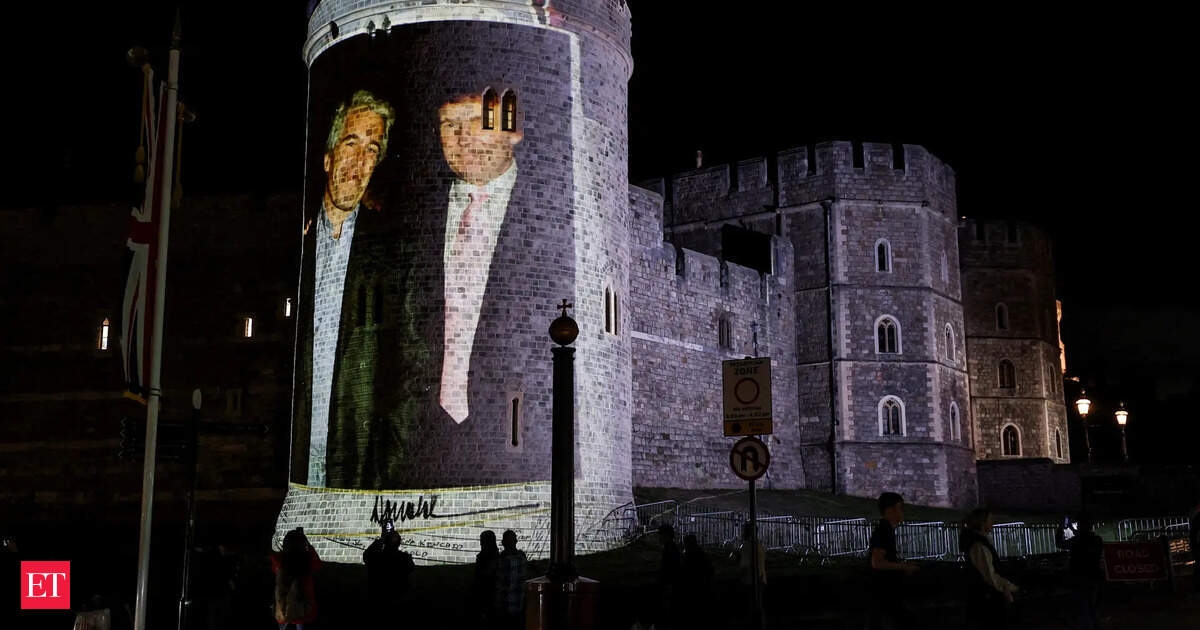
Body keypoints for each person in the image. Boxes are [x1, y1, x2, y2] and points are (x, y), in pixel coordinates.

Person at [293, 89, 395, 489]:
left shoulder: (386, 256)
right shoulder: (299, 249)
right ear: (328, 156)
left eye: (372, 149)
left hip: (354, 465)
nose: (358, 160)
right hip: (298, 456)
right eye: (351, 143)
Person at [435, 92, 524, 424]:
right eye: (449, 124)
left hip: (502, 423)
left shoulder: (558, 213)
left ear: (513, 125)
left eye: (476, 120)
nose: (462, 138)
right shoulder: (414, 213)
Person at [960, 508, 1018, 629]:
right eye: (990, 520)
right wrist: (1009, 586)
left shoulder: (979, 543)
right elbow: (990, 576)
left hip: (985, 598)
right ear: (982, 523)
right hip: (987, 600)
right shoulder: (979, 546)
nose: (992, 523)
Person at [867, 492, 918, 630]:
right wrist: (903, 567)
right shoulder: (884, 531)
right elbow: (877, 562)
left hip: (886, 594)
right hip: (885, 594)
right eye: (900, 508)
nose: (902, 512)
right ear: (890, 510)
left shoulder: (886, 530)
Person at [363, 521, 415, 620]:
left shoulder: (377, 557)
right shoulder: (404, 558)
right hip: (397, 600)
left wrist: (382, 539)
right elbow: (411, 568)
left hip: (377, 600)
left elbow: (367, 556)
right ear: (399, 542)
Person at [271, 528, 321, 630]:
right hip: (304, 610)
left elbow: (274, 564)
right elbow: (318, 564)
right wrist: (308, 544)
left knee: (283, 621)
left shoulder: (280, 560)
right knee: (300, 623)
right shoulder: (309, 560)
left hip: (284, 609)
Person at [1066, 517, 1103, 630]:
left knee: (1083, 606)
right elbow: (1084, 537)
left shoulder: (1076, 541)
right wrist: (1073, 529)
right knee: (1091, 605)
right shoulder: (1097, 540)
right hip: (1093, 575)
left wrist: (1060, 529)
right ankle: (1095, 625)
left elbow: (1061, 543)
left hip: (1079, 576)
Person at [734, 521, 767, 628]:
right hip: (760, 579)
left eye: (743, 531)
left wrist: (740, 577)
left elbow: (744, 566)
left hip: (750, 581)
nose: (741, 533)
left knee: (750, 606)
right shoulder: (759, 545)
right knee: (758, 605)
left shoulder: (747, 547)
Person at [494, 530, 528, 630]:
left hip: (504, 607)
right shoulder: (522, 557)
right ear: (516, 541)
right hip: (519, 606)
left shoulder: (501, 560)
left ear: (503, 543)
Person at [679, 534, 713, 629]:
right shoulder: (702, 554)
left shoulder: (688, 557)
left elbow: (684, 572)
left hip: (693, 590)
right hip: (702, 589)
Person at [471, 530, 501, 628]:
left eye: (482, 540)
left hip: (487, 594)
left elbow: (484, 575)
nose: (480, 543)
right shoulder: (496, 556)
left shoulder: (487, 557)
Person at [655, 524, 682, 628]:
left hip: (670, 584)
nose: (658, 538)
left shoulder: (669, 548)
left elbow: (670, 568)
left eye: (660, 535)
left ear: (665, 535)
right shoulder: (671, 547)